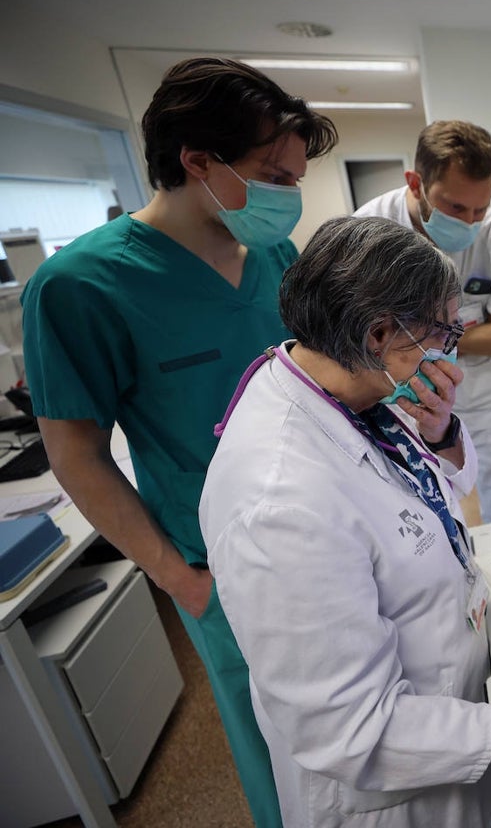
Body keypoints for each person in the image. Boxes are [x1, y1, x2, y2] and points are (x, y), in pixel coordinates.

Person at [199, 215, 491, 828]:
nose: (450, 350)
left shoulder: (334, 382)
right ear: (379, 332)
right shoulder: (280, 505)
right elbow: (350, 730)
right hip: (394, 797)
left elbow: (415, 500)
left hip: (450, 690)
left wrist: (437, 432)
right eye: (443, 332)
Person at [20, 57, 337, 827]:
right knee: (276, 748)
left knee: (349, 725)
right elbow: (76, 458)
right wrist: (182, 580)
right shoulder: (79, 287)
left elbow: (309, 381)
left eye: (294, 178)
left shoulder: (271, 256)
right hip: (218, 564)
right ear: (197, 160)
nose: (288, 199)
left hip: (322, 532)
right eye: (273, 176)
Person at [354, 119, 491, 523]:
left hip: (488, 394)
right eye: (456, 207)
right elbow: (363, 341)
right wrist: (477, 330)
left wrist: (420, 335)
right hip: (402, 399)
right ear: (416, 183)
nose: (470, 222)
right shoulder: (369, 232)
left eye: (480, 208)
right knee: (416, 516)